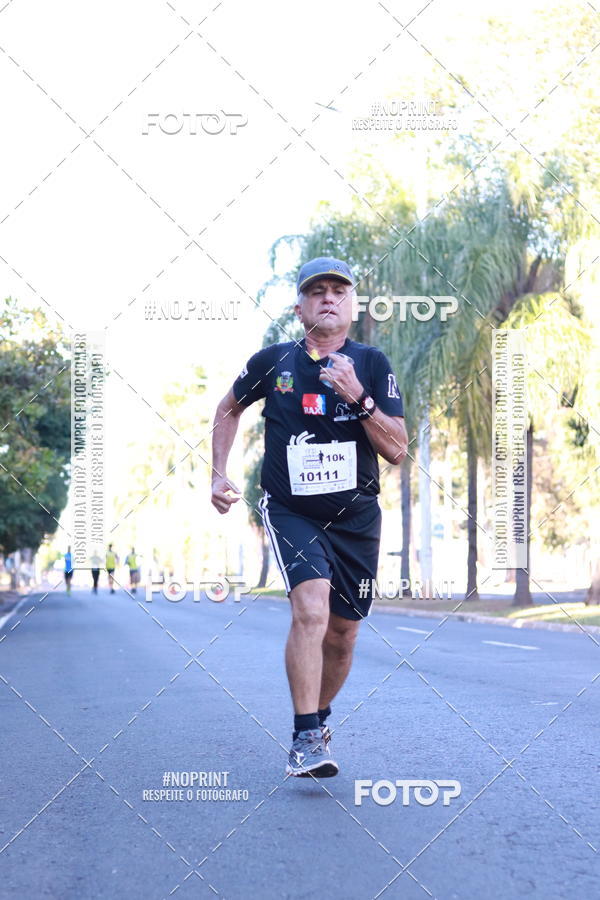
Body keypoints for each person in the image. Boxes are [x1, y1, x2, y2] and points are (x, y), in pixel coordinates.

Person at [211, 256, 408, 778]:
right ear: (299, 309)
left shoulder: (372, 364)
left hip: (357, 517)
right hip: (292, 509)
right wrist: (218, 473)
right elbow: (227, 408)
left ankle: (318, 719)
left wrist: (358, 397)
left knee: (343, 634)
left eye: (338, 291)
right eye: (316, 291)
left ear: (352, 307)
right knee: (311, 608)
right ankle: (304, 737)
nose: (328, 298)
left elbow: (397, 450)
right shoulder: (274, 361)